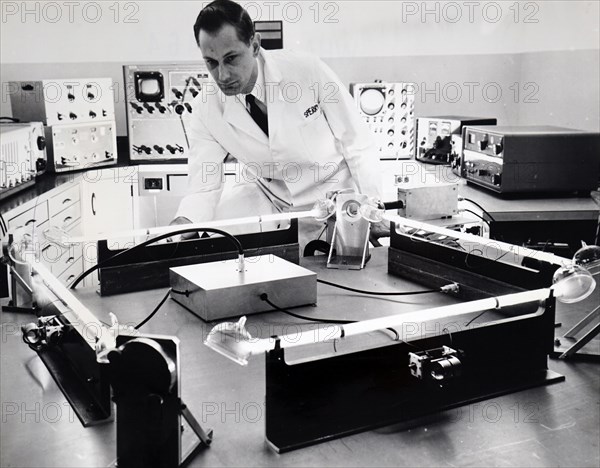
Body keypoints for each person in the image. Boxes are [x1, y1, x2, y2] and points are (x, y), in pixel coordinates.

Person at [172, 0, 388, 249]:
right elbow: (203, 185)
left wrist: (372, 207)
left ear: (254, 45)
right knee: (225, 244)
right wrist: (183, 222)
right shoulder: (205, 107)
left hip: (333, 198)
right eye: (211, 62)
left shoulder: (306, 70)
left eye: (231, 59)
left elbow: (357, 142)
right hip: (273, 203)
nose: (222, 75)